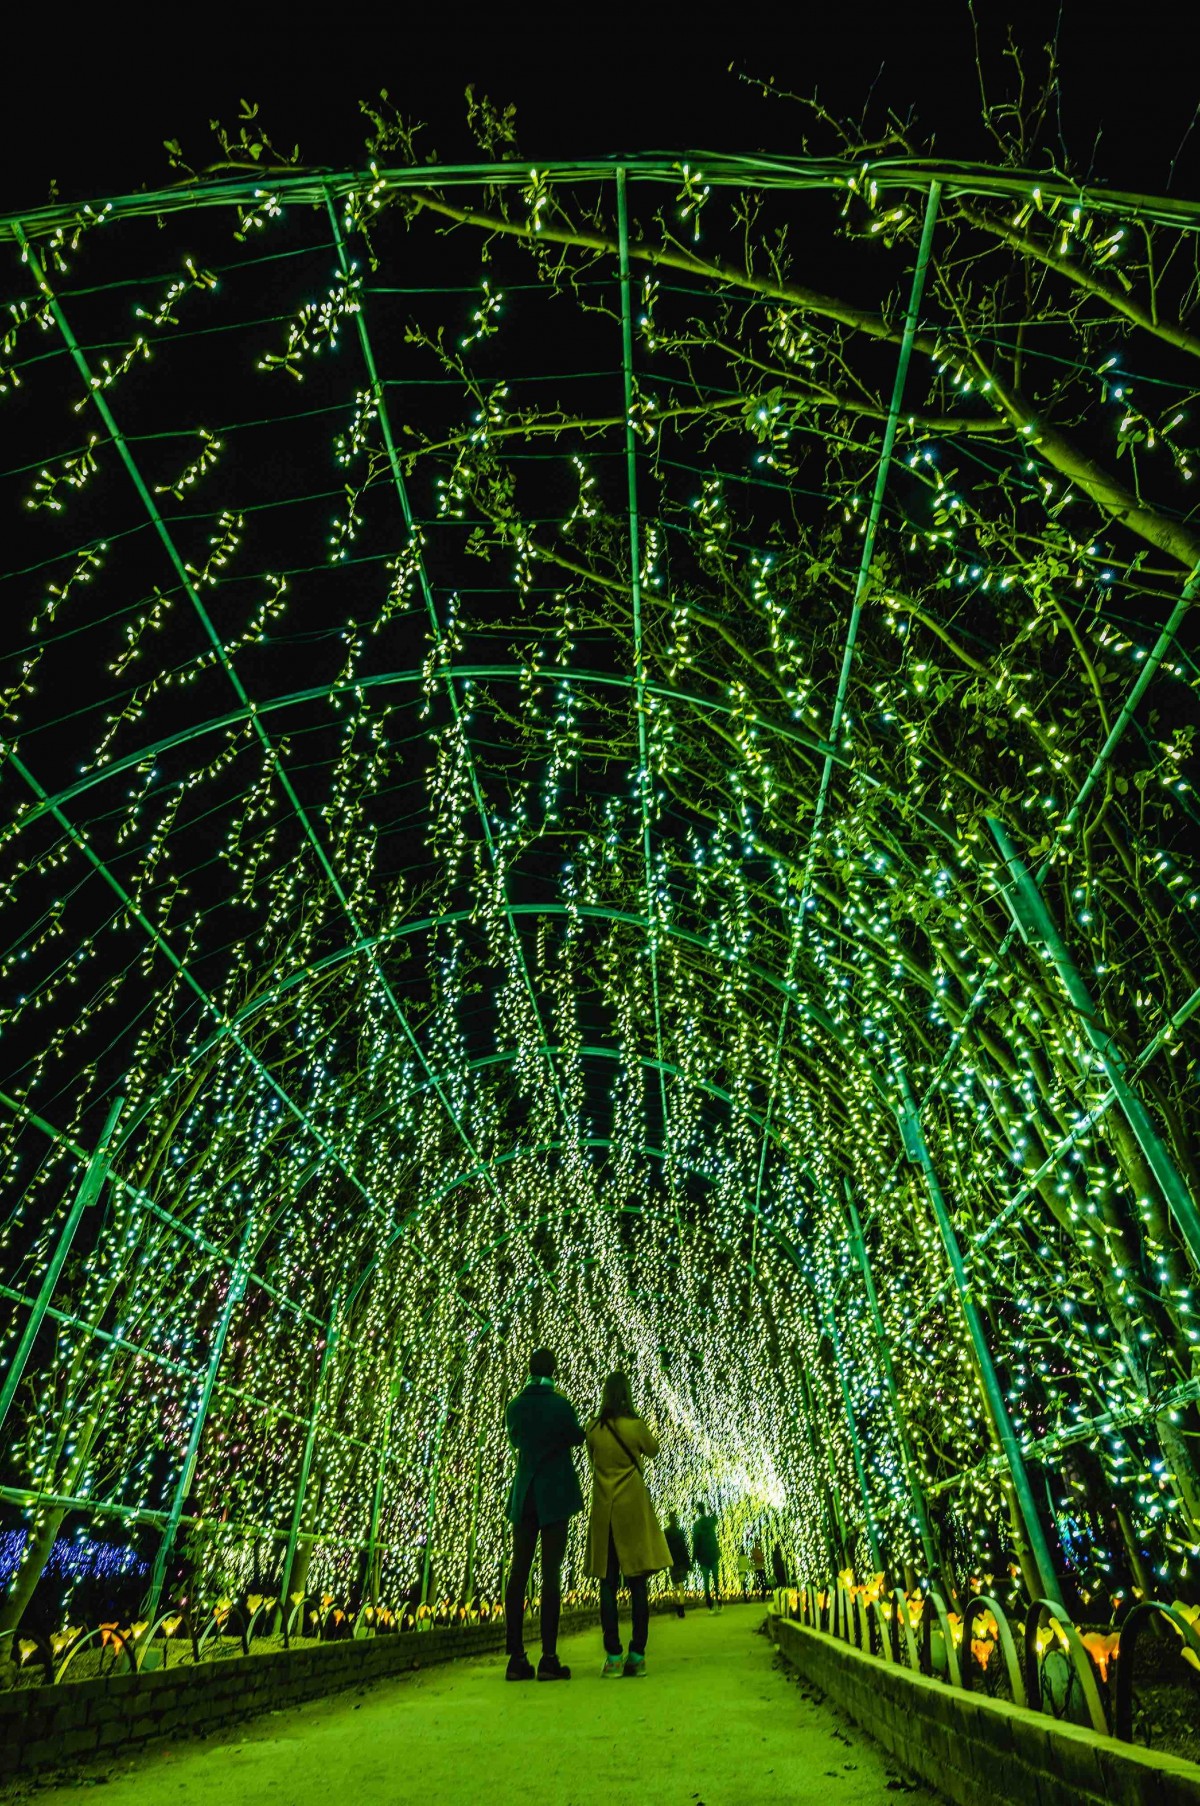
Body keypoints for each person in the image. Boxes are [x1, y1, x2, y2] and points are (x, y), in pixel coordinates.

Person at [503, 1347, 585, 1682]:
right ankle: (548, 1658)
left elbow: (515, 1440)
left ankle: (515, 1657)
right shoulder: (560, 1405)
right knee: (551, 1573)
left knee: (518, 1572)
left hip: (524, 1496)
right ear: (553, 1370)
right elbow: (576, 1436)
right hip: (554, 1497)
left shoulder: (515, 1406)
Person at [585, 1370, 672, 1677]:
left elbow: (592, 1458)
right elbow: (654, 1450)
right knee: (637, 1584)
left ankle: (612, 1657)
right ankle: (637, 1655)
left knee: (607, 1584)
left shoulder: (593, 1429)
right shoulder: (636, 1427)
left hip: (605, 1514)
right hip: (632, 1512)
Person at [692, 1501, 721, 1611]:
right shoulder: (711, 1521)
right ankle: (719, 1600)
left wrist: (693, 1558)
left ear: (698, 1511)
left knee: (706, 1582)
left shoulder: (696, 1525)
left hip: (703, 1557)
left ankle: (709, 1604)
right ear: (704, 1510)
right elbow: (716, 1518)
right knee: (716, 1580)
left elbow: (695, 1543)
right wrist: (711, 1510)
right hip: (713, 1554)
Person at [664, 1509, 691, 1618]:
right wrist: (688, 1563)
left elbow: (664, 1547)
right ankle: (681, 1606)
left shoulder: (666, 1532)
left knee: (675, 1584)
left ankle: (678, 1604)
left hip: (672, 1561)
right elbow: (684, 1548)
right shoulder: (680, 1532)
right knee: (681, 1585)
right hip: (680, 1561)